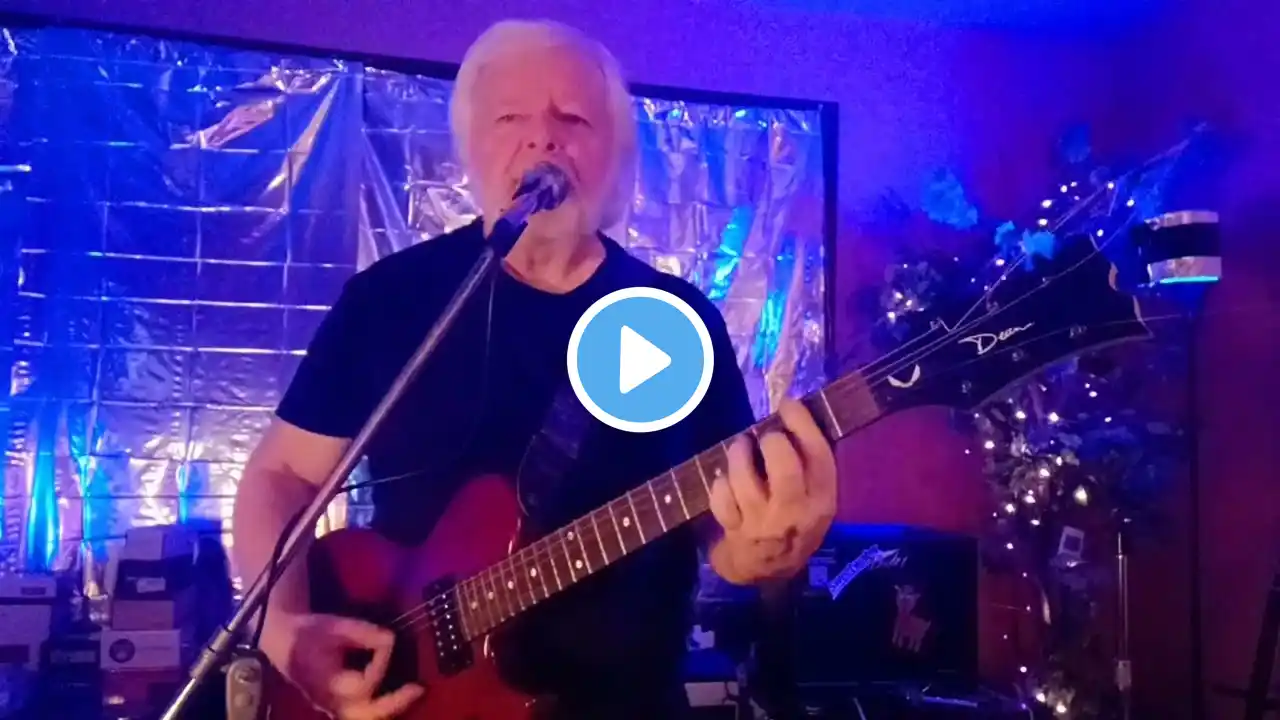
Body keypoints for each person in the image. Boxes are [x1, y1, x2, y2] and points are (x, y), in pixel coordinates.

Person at [231, 18, 838, 720]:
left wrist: (766, 549)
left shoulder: (676, 320)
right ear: (471, 149)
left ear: (614, 154)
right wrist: (283, 632)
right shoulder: (389, 300)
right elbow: (282, 474)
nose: (544, 137)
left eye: (573, 118)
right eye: (510, 117)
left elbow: (724, 535)